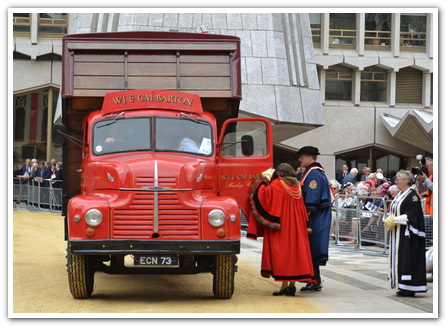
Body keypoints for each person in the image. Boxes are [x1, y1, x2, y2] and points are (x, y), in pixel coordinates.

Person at [247, 163, 317, 296]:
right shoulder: (297, 185)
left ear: (279, 174)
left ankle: (284, 286)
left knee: (284, 254)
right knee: (295, 253)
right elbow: (302, 207)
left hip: (284, 224)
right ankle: (292, 286)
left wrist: (262, 180)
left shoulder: (278, 184)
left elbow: (262, 195)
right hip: (298, 224)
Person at [383, 170, 427, 297]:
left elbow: (412, 216)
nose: (396, 181)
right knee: (401, 258)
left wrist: (394, 220)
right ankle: (402, 285)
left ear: (405, 181)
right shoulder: (400, 194)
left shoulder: (412, 196)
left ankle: (409, 287)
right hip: (399, 232)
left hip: (409, 234)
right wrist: (389, 218)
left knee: (408, 259)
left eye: (398, 179)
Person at [297, 146, 332, 291]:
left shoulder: (313, 175)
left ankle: (314, 280)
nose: (300, 159)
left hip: (315, 218)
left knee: (312, 247)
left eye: (302, 157)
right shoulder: (315, 172)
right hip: (318, 216)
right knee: (312, 248)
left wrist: (304, 217)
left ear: (310, 157)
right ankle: (314, 280)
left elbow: (311, 200)